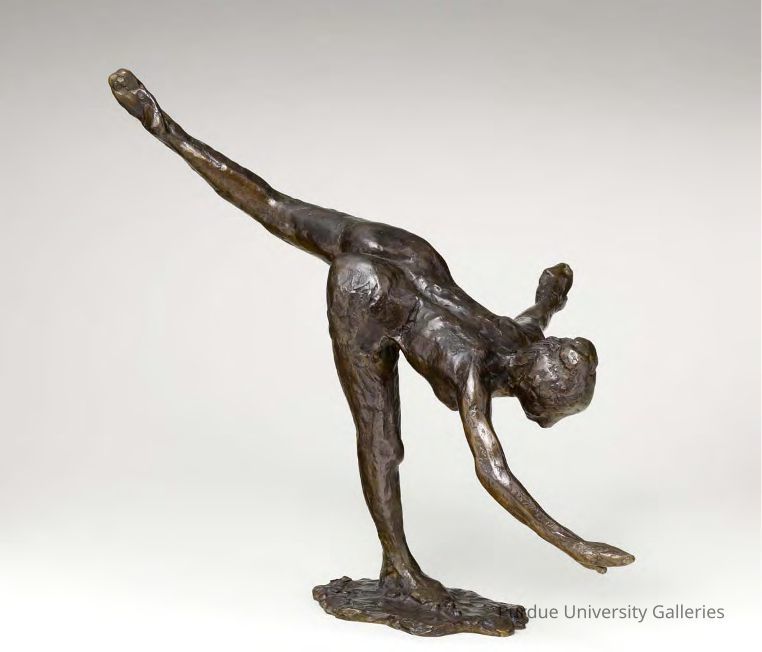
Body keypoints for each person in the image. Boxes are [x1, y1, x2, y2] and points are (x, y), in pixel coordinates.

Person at [109, 69, 634, 610]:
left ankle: (162, 126)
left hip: (405, 256)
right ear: (537, 405)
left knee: (272, 206)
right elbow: (493, 470)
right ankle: (398, 569)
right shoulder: (481, 368)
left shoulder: (510, 342)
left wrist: (552, 293)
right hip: (373, 295)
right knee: (381, 440)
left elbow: (536, 319)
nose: (556, 352)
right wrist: (573, 544)